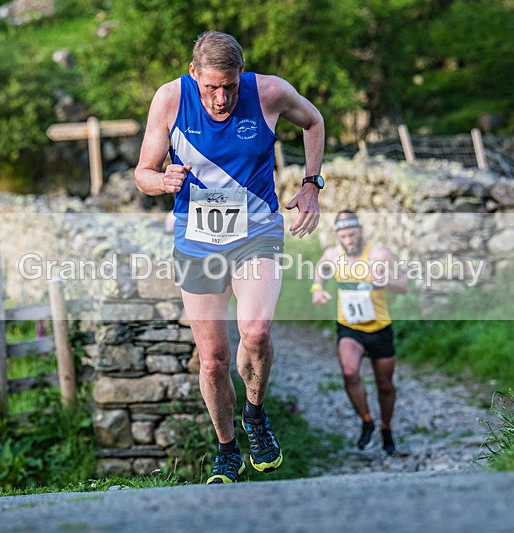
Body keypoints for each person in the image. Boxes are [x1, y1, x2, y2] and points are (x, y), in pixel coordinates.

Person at [135, 31, 325, 483]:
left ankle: (255, 415)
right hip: (197, 241)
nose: (221, 99)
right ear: (193, 73)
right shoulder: (170, 100)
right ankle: (226, 449)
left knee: (255, 331)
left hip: (256, 230)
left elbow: (314, 121)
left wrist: (311, 184)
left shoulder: (269, 92)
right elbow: (143, 172)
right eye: (211, 87)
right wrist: (161, 181)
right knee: (213, 360)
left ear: (242, 74)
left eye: (230, 86)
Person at [311, 210, 407, 453]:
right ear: (338, 236)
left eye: (352, 235)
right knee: (349, 372)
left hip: (379, 328)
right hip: (349, 327)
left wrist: (384, 281)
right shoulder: (332, 255)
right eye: (343, 236)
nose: (348, 241)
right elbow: (320, 271)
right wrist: (317, 290)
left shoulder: (379, 255)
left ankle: (386, 427)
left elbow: (403, 285)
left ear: (361, 231)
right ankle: (367, 421)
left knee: (385, 385)